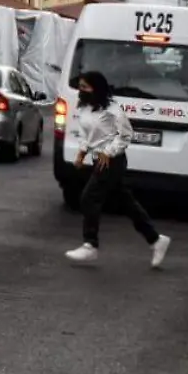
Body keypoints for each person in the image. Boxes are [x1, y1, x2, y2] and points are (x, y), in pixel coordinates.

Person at [64, 70, 171, 268]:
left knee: (89, 197)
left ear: (97, 88)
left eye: (86, 87)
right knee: (126, 202)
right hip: (98, 159)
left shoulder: (112, 108)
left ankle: (90, 245)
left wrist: (110, 152)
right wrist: (82, 153)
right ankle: (156, 240)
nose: (81, 90)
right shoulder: (85, 108)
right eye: (80, 87)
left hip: (112, 162)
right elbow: (87, 135)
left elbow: (126, 134)